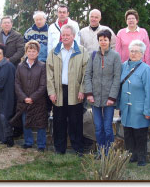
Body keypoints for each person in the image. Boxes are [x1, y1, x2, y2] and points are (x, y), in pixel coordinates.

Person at [46, 24, 89, 155]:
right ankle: (59, 149)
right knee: (59, 121)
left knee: (76, 121)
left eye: (67, 35)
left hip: (75, 91)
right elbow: (49, 73)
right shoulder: (54, 51)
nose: (64, 37)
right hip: (59, 91)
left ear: (73, 36)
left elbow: (86, 73)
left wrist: (83, 90)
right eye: (63, 35)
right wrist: (51, 91)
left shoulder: (82, 51)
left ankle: (78, 148)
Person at [118, 40, 150, 166]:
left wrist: (148, 110)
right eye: (131, 51)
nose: (133, 54)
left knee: (140, 134)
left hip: (139, 108)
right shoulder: (123, 66)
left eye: (136, 52)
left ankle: (141, 157)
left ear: (142, 54)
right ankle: (131, 155)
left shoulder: (146, 70)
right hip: (126, 108)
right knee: (128, 133)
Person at [83, 30, 121, 152]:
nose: (103, 42)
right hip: (95, 98)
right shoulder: (93, 55)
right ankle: (100, 151)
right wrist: (89, 93)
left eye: (105, 39)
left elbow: (117, 78)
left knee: (107, 127)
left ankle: (108, 153)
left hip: (109, 98)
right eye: (101, 40)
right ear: (98, 41)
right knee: (98, 127)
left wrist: (112, 97)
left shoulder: (115, 56)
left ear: (109, 41)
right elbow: (88, 75)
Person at [14, 41, 48, 152]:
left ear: (38, 53)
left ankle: (41, 144)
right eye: (29, 51)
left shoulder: (42, 66)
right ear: (26, 52)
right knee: (26, 122)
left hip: (38, 101)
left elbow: (43, 85)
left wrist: (32, 97)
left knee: (40, 122)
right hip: (24, 100)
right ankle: (28, 142)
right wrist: (24, 98)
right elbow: (17, 84)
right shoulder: (20, 66)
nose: (32, 53)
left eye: (34, 51)